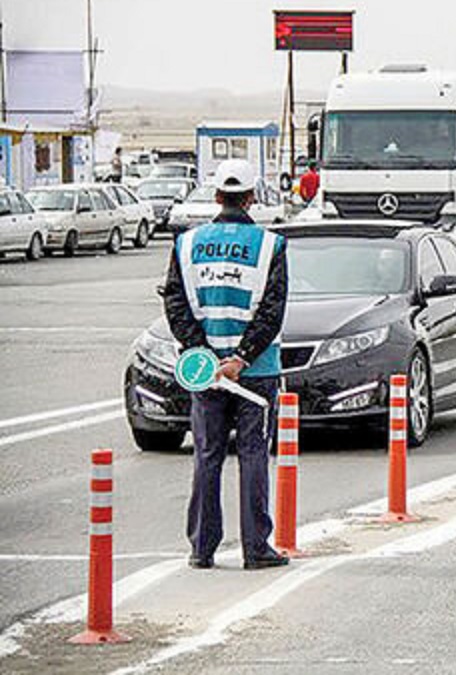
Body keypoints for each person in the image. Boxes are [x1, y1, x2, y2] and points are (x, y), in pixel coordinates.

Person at [161, 159, 290, 571]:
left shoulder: (187, 243)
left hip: (205, 372)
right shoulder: (272, 245)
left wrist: (204, 355)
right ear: (252, 197)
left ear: (217, 196)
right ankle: (256, 549)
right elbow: (273, 311)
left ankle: (202, 549)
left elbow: (175, 304)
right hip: (256, 373)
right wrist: (241, 358)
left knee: (207, 455)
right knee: (253, 454)